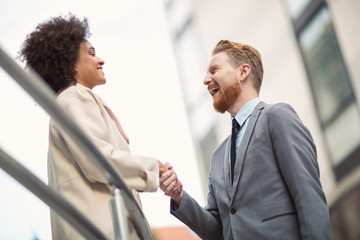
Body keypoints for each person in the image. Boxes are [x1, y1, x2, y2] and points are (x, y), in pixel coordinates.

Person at [159, 40, 332, 240]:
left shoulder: (276, 117)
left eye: (214, 70)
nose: (206, 80)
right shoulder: (217, 157)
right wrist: (178, 195)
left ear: (243, 72)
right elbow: (217, 231)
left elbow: (309, 198)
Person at [19, 14, 164, 240]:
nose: (101, 60)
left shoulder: (66, 105)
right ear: (69, 63)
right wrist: (155, 168)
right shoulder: (75, 97)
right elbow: (98, 160)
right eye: (91, 53)